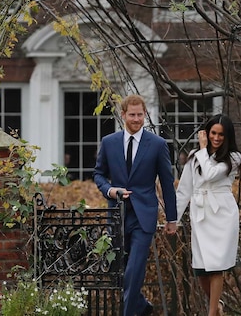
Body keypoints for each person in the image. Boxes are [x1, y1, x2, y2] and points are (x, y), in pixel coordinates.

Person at [93, 94, 178, 316]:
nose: (137, 119)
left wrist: (171, 217)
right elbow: (99, 174)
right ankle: (140, 306)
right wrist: (110, 190)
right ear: (123, 115)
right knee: (119, 271)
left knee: (135, 269)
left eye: (140, 114)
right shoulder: (109, 143)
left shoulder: (158, 145)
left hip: (144, 216)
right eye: (132, 115)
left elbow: (167, 183)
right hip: (117, 215)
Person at [176, 114, 241, 316]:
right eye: (213, 133)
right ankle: (217, 305)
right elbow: (185, 189)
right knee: (201, 269)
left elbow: (212, 174)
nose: (216, 137)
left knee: (217, 266)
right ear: (207, 132)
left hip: (222, 214)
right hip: (201, 214)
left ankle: (212, 313)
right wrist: (173, 220)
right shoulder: (196, 156)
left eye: (221, 134)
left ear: (227, 136)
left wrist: (203, 149)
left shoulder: (234, 157)